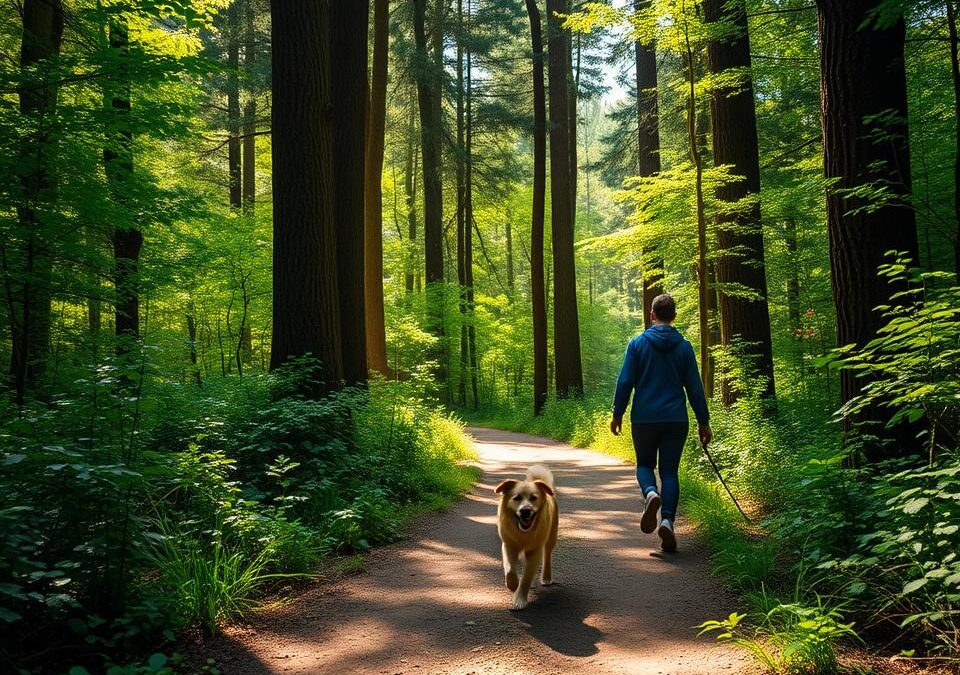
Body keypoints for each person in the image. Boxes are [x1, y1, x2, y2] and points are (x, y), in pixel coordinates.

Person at [610, 293, 711, 551]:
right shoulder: (684, 347)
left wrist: (617, 413)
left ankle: (650, 493)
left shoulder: (637, 344)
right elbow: (695, 388)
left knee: (644, 464)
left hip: (644, 418)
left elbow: (625, 382)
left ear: (652, 315)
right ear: (674, 316)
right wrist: (703, 421)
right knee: (669, 472)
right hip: (675, 419)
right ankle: (667, 520)